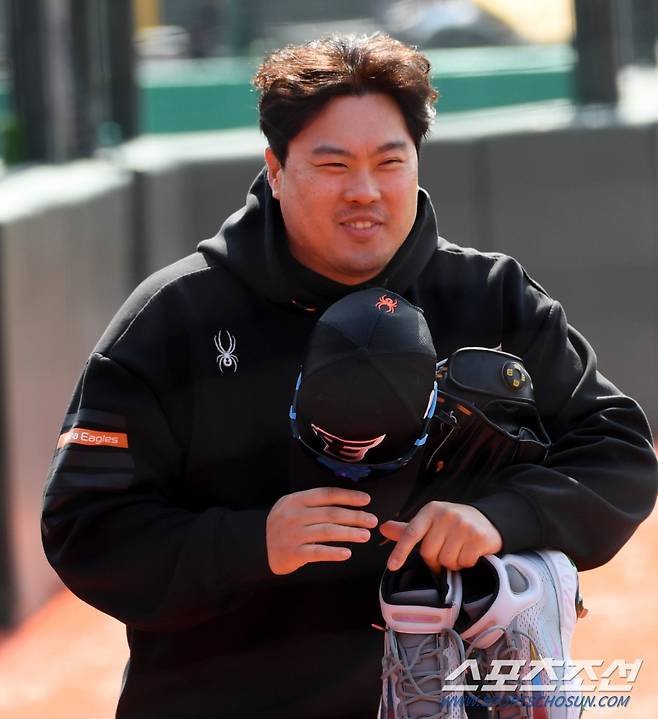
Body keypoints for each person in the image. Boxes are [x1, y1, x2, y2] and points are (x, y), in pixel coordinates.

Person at [41, 34, 657, 719]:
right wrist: (252, 543)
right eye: (332, 164)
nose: (364, 191)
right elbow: (85, 527)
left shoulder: (493, 297)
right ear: (274, 168)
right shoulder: (172, 319)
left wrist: (498, 518)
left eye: (389, 161)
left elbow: (619, 454)